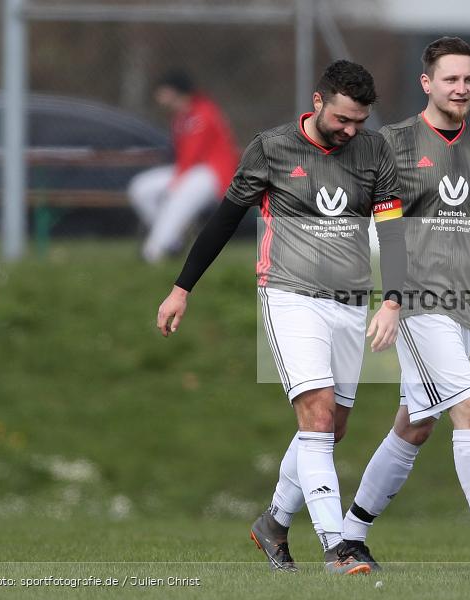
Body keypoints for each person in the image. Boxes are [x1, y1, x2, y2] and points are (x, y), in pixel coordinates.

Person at [155, 60, 407, 576]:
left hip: (351, 302)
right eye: (342, 118)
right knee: (315, 416)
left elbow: (393, 229)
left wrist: (393, 299)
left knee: (332, 428)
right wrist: (182, 288)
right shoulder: (271, 148)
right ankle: (337, 548)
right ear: (318, 102)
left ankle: (273, 522)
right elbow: (225, 218)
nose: (351, 129)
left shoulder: (374, 151)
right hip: (290, 296)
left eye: (360, 120)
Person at [338, 37, 470, 571]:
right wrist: (390, 299)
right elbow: (375, 229)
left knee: (414, 423)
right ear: (427, 83)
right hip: (416, 304)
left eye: (469, 80)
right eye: (451, 79)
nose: (461, 88)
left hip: (463, 307)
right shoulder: (392, 144)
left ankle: (348, 534)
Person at [129, 70, 239, 263]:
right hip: (189, 171)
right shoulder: (180, 117)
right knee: (141, 188)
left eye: (163, 91)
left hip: (214, 174)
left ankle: (153, 251)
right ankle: (173, 242)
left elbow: (193, 153)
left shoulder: (203, 112)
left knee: (180, 194)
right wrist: (178, 178)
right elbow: (183, 158)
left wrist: (177, 181)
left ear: (175, 92)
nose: (159, 96)